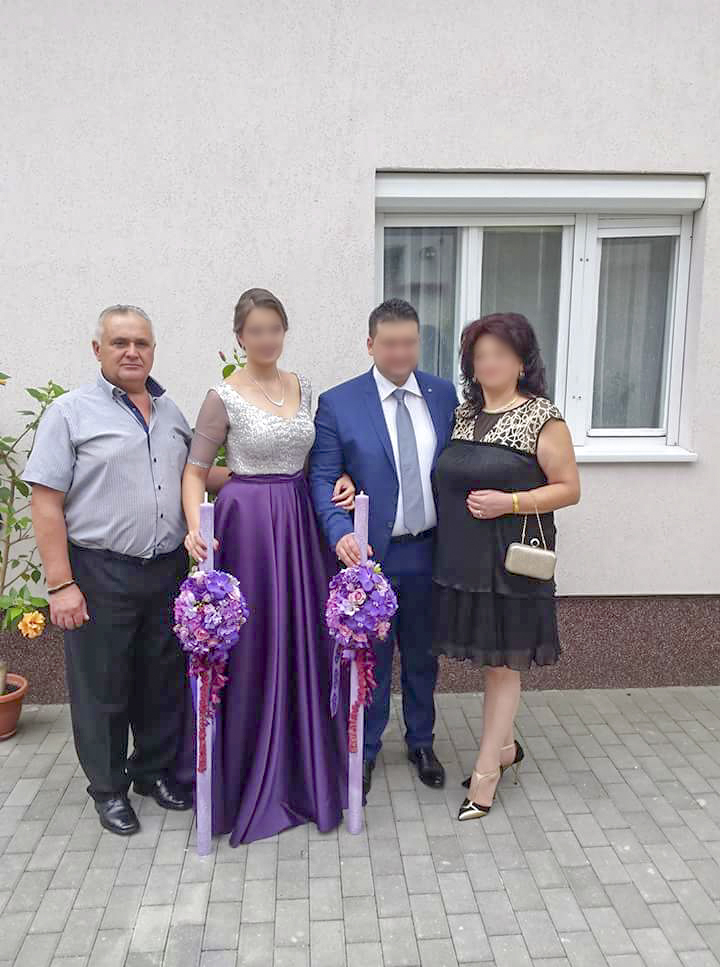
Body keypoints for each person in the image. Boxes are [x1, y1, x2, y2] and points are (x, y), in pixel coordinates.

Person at [23, 305, 212, 836]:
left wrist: (275, 474)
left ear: (153, 350)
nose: (132, 352)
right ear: (98, 350)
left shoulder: (170, 412)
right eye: (120, 343)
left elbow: (196, 473)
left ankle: (152, 773)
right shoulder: (69, 413)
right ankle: (108, 790)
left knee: (161, 682)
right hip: (99, 572)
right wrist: (61, 584)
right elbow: (45, 501)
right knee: (103, 689)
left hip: (165, 571)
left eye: (141, 343)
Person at [181, 287, 356, 845]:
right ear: (240, 337)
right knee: (255, 642)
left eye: (274, 329)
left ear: (284, 332)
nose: (266, 339)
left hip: (299, 520)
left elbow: (319, 457)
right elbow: (194, 471)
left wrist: (341, 477)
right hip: (248, 524)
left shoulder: (304, 386)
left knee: (301, 637)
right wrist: (194, 526)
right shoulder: (223, 396)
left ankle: (303, 770)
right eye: (255, 331)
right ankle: (249, 772)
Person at [432, 312, 580, 821]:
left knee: (501, 666)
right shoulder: (463, 416)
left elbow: (569, 489)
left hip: (510, 565)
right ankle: (507, 748)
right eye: (480, 356)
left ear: (522, 362)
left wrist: (510, 502)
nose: (489, 363)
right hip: (462, 561)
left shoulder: (543, 417)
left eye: (500, 354)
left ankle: (486, 775)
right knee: (487, 661)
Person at [309, 298, 458, 795]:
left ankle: (421, 742)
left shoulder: (442, 395)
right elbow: (323, 477)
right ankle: (365, 748)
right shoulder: (339, 402)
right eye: (390, 344)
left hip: (429, 551)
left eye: (409, 343)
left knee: (422, 655)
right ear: (370, 344)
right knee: (368, 656)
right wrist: (340, 532)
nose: (400, 353)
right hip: (371, 557)